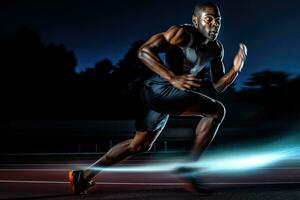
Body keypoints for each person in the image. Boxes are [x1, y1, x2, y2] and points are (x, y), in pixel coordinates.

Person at [68, 1, 247, 194]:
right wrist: (173, 78)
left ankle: (83, 176)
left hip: (163, 97)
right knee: (216, 111)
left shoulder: (215, 49)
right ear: (196, 21)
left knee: (139, 145)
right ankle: (189, 168)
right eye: (209, 19)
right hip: (158, 90)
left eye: (218, 21)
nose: (214, 25)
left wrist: (235, 70)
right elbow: (144, 51)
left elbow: (219, 85)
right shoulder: (181, 34)